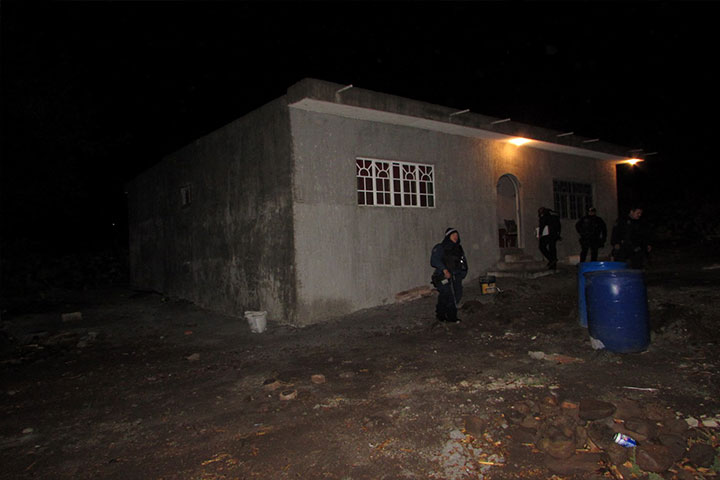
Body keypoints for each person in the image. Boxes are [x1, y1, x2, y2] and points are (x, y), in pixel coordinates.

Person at [430, 228, 468, 323]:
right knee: (449, 295)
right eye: (453, 235)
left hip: (456, 276)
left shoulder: (458, 248)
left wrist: (463, 273)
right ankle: (452, 317)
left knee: (456, 294)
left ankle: (441, 314)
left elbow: (462, 261)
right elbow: (434, 260)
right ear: (448, 237)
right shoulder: (440, 247)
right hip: (443, 276)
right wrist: (444, 270)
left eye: (457, 235)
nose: (455, 237)